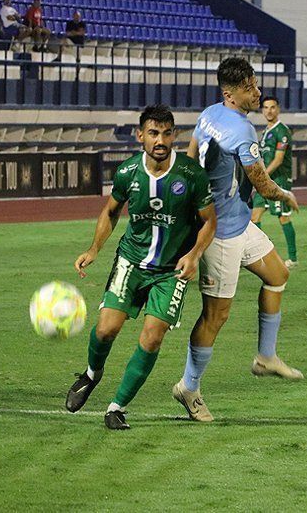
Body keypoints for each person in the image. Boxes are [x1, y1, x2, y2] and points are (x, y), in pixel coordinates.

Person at [65, 105, 217, 430]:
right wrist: (94, 249)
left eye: (165, 133)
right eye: (153, 133)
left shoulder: (191, 175)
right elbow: (110, 212)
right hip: (131, 261)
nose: (159, 140)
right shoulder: (127, 173)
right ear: (140, 136)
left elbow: (209, 222)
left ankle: (116, 406)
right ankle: (92, 374)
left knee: (152, 337)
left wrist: (194, 255)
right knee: (106, 329)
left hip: (170, 271)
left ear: (174, 135)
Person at [175, 57, 304, 423]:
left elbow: (188, 157)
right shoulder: (242, 132)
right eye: (251, 88)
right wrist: (285, 195)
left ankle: (266, 357)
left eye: (256, 85)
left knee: (278, 275)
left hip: (238, 221)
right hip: (220, 233)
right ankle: (189, 386)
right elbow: (261, 182)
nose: (258, 93)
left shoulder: (209, 114)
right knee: (216, 315)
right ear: (231, 93)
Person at [250, 96, 298, 268]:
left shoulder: (282, 131)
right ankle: (260, 254)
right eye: (265, 107)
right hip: (265, 181)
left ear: (278, 109)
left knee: (283, 218)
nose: (269, 111)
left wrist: (261, 176)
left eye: (272, 107)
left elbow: (278, 160)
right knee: (254, 217)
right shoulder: (265, 132)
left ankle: (293, 258)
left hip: (279, 180)